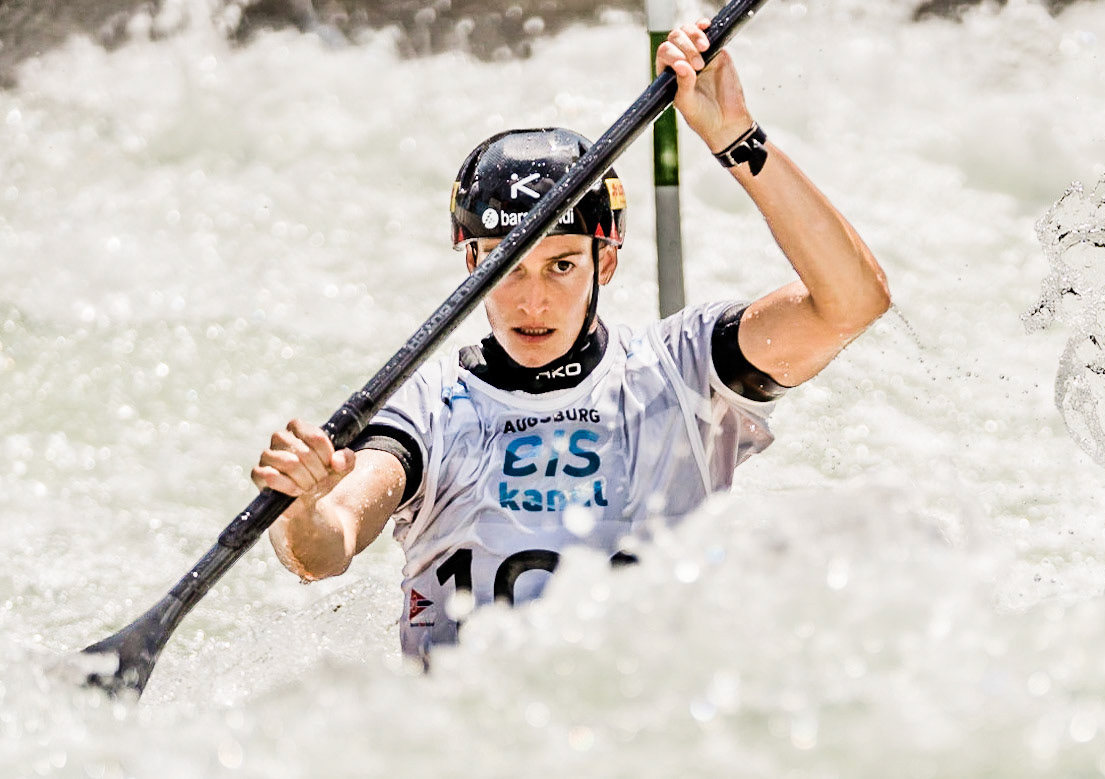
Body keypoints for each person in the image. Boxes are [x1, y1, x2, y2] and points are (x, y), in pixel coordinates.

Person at [252, 18, 890, 660]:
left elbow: (852, 303)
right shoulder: (428, 409)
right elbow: (326, 548)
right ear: (472, 263)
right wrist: (302, 505)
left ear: (604, 262)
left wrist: (735, 138)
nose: (533, 300)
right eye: (507, 267)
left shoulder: (686, 368)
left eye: (562, 265)